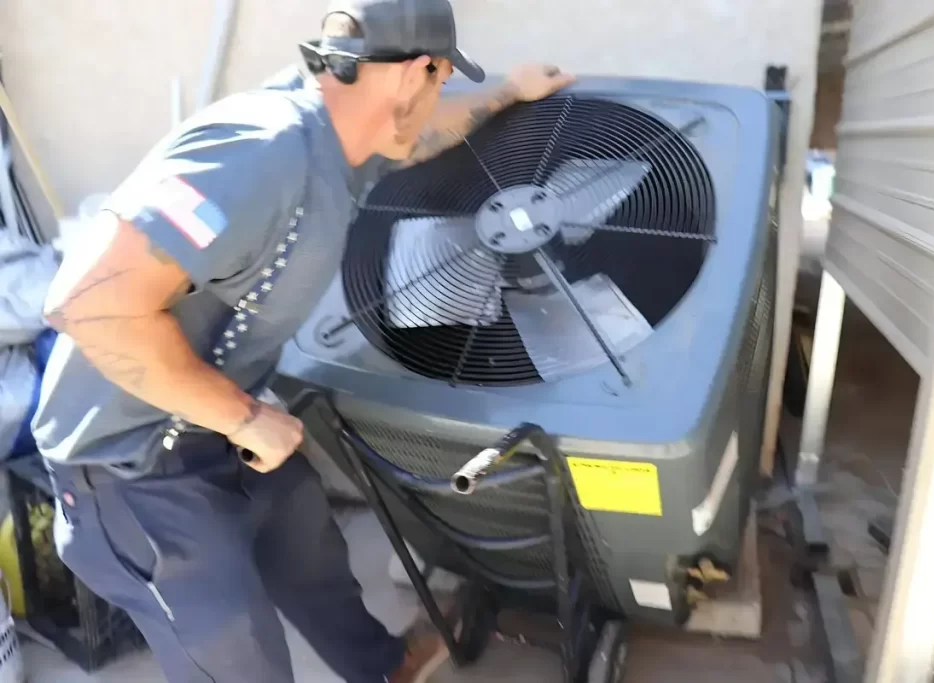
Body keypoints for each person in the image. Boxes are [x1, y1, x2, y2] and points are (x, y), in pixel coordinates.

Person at [31, 1, 574, 681]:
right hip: (130, 465)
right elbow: (86, 305)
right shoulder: (255, 153)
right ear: (413, 73)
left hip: (215, 420)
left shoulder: (347, 126)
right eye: (441, 79)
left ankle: (382, 666)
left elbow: (420, 127)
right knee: (237, 654)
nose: (441, 95)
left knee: (303, 537)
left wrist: (506, 94)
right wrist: (246, 418)